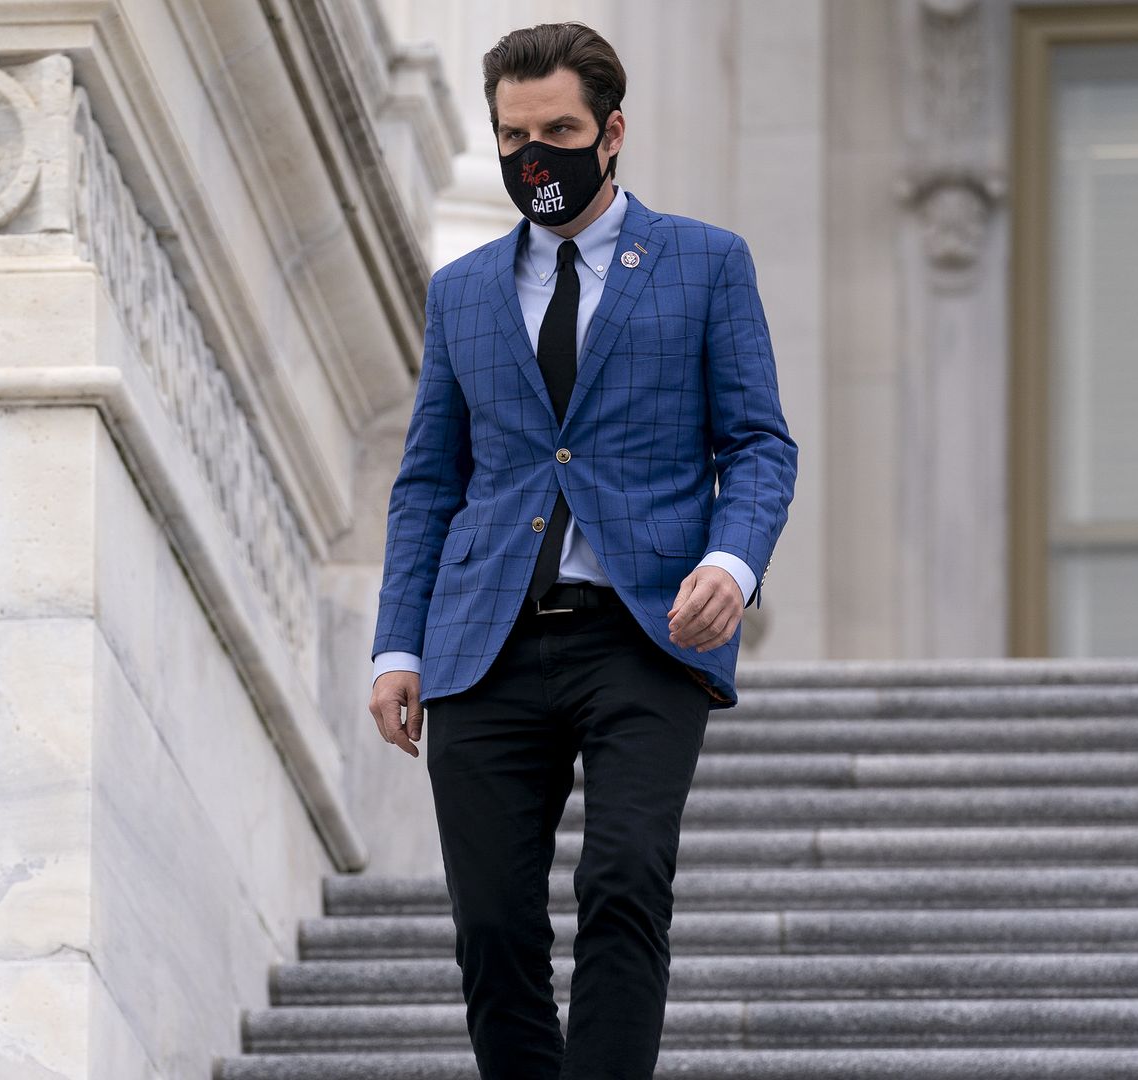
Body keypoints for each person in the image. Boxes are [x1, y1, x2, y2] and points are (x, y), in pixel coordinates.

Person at [365, 22, 799, 1080]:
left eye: (556, 130)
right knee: (495, 928)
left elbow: (758, 446)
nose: (533, 158)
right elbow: (429, 480)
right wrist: (395, 647)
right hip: (484, 642)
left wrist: (732, 566)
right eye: (514, 136)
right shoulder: (462, 290)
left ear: (610, 133)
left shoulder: (705, 264)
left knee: (624, 881)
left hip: (643, 633)